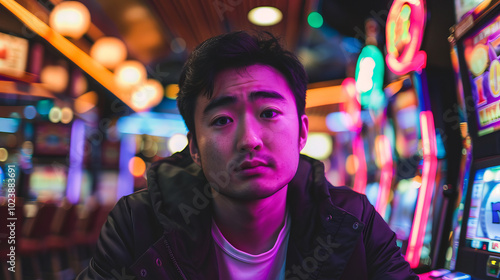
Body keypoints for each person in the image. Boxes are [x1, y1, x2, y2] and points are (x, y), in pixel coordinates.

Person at [77, 31, 418, 279]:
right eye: (222, 120)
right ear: (193, 147)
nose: (249, 140)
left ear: (301, 131)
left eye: (268, 113)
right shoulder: (138, 224)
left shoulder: (353, 219)